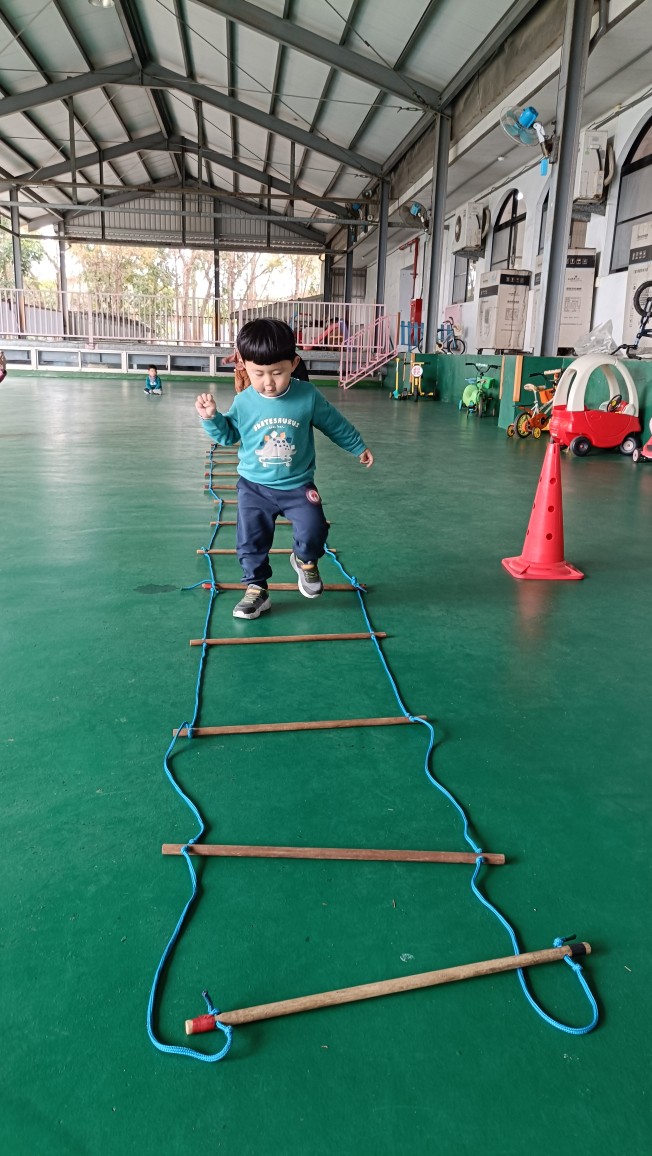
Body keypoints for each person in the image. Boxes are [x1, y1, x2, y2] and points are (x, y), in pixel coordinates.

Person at [195, 318, 374, 620]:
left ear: (294, 364)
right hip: (254, 487)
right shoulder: (244, 401)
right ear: (243, 366)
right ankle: (256, 589)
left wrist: (357, 445)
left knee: (315, 529)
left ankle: (305, 560)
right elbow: (228, 436)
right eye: (258, 373)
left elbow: (334, 424)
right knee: (250, 541)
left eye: (277, 372)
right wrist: (211, 418)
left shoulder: (307, 396)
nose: (268, 382)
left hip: (297, 485)